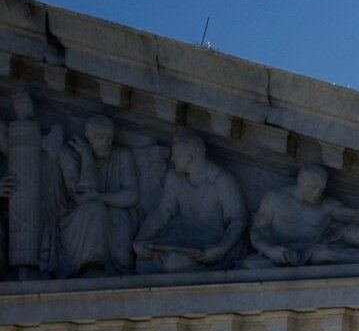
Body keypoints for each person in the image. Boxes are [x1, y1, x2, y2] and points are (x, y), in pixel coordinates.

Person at [244, 165, 359, 267]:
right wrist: (271, 251)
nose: (317, 193)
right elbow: (257, 233)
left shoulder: (325, 205)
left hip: (316, 244)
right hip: (289, 253)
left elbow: (357, 214)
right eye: (313, 188)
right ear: (301, 181)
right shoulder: (274, 199)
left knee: (355, 231)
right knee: (328, 253)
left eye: (321, 189)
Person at [133, 132, 245, 273]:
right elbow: (162, 212)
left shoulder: (222, 181)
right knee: (143, 262)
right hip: (183, 240)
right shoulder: (174, 177)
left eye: (175, 154)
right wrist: (140, 240)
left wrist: (221, 249)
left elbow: (238, 219)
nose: (172, 159)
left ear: (190, 156)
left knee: (176, 264)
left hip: (212, 244)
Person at [55, 115, 141, 277]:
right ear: (87, 137)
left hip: (116, 212)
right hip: (76, 217)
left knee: (113, 215)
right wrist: (87, 156)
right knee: (94, 209)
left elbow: (132, 196)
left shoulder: (122, 154)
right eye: (100, 137)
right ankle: (92, 266)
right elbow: (82, 195)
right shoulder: (69, 153)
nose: (106, 143)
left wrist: (99, 196)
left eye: (110, 138)